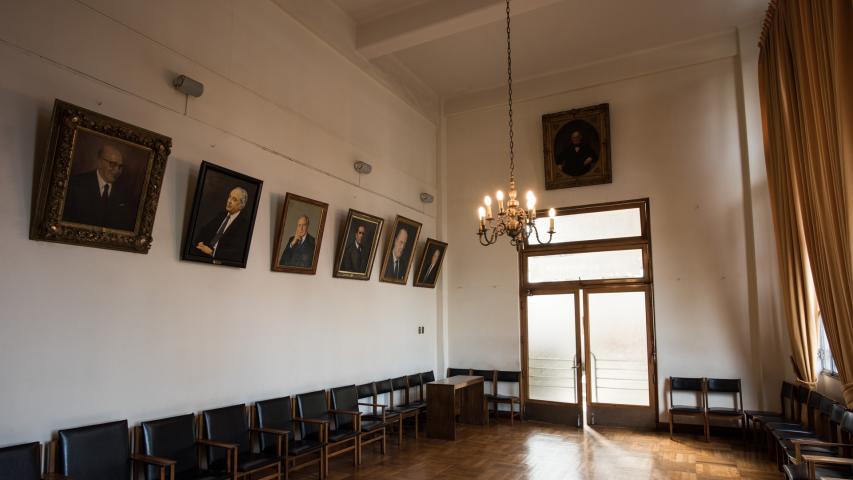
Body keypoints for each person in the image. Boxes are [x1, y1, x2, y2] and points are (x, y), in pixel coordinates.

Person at [63, 144, 137, 230]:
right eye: (112, 164)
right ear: (99, 162)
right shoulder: (76, 184)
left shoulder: (126, 194)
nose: (117, 170)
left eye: (120, 166)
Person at [194, 187, 251, 262]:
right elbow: (204, 230)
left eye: (234, 199)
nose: (229, 201)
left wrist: (212, 252)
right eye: (229, 197)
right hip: (203, 252)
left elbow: (236, 251)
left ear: (241, 205)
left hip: (219, 260)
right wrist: (199, 243)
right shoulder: (221, 215)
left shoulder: (243, 225)